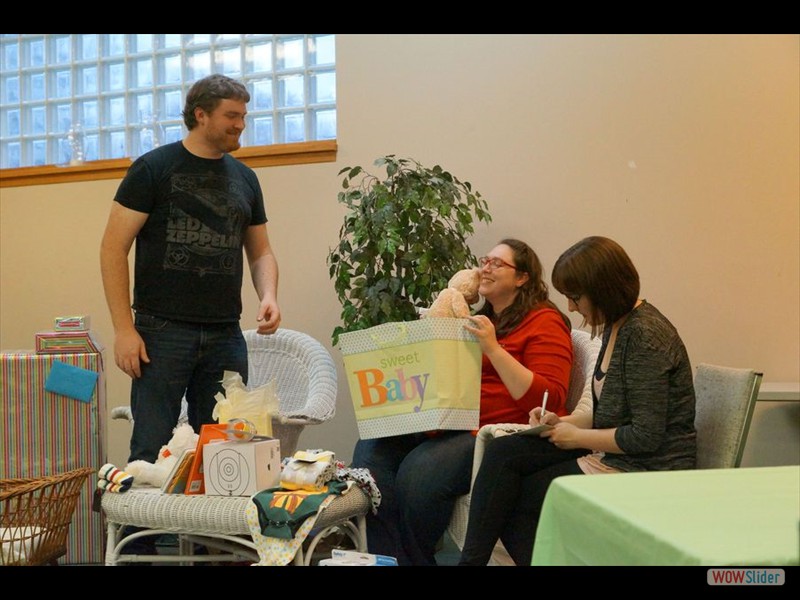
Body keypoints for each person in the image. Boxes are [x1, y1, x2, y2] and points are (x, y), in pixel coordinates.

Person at [458, 235, 696, 566]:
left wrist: (577, 437)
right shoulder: (616, 325)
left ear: (603, 290)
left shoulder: (644, 337)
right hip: (617, 453)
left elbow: (645, 436)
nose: (570, 306)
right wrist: (563, 422)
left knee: (512, 497)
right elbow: (608, 409)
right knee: (503, 452)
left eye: (574, 296)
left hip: (645, 467)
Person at [350, 238, 573, 565]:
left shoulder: (543, 321)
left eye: (498, 263)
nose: (485, 267)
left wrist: (493, 349)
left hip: (494, 432)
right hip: (449, 420)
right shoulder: (479, 319)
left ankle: (412, 558)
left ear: (523, 277)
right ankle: (388, 557)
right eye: (484, 260)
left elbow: (550, 398)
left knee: (419, 473)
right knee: (371, 447)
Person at [100, 73, 281, 467]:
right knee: (152, 452)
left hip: (225, 334)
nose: (241, 124)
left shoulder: (246, 178)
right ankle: (149, 532)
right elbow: (113, 249)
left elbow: (261, 253)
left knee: (224, 455)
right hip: (161, 333)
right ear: (201, 114)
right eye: (232, 115)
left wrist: (268, 295)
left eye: (244, 116)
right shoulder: (152, 168)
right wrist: (123, 330)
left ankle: (208, 532)